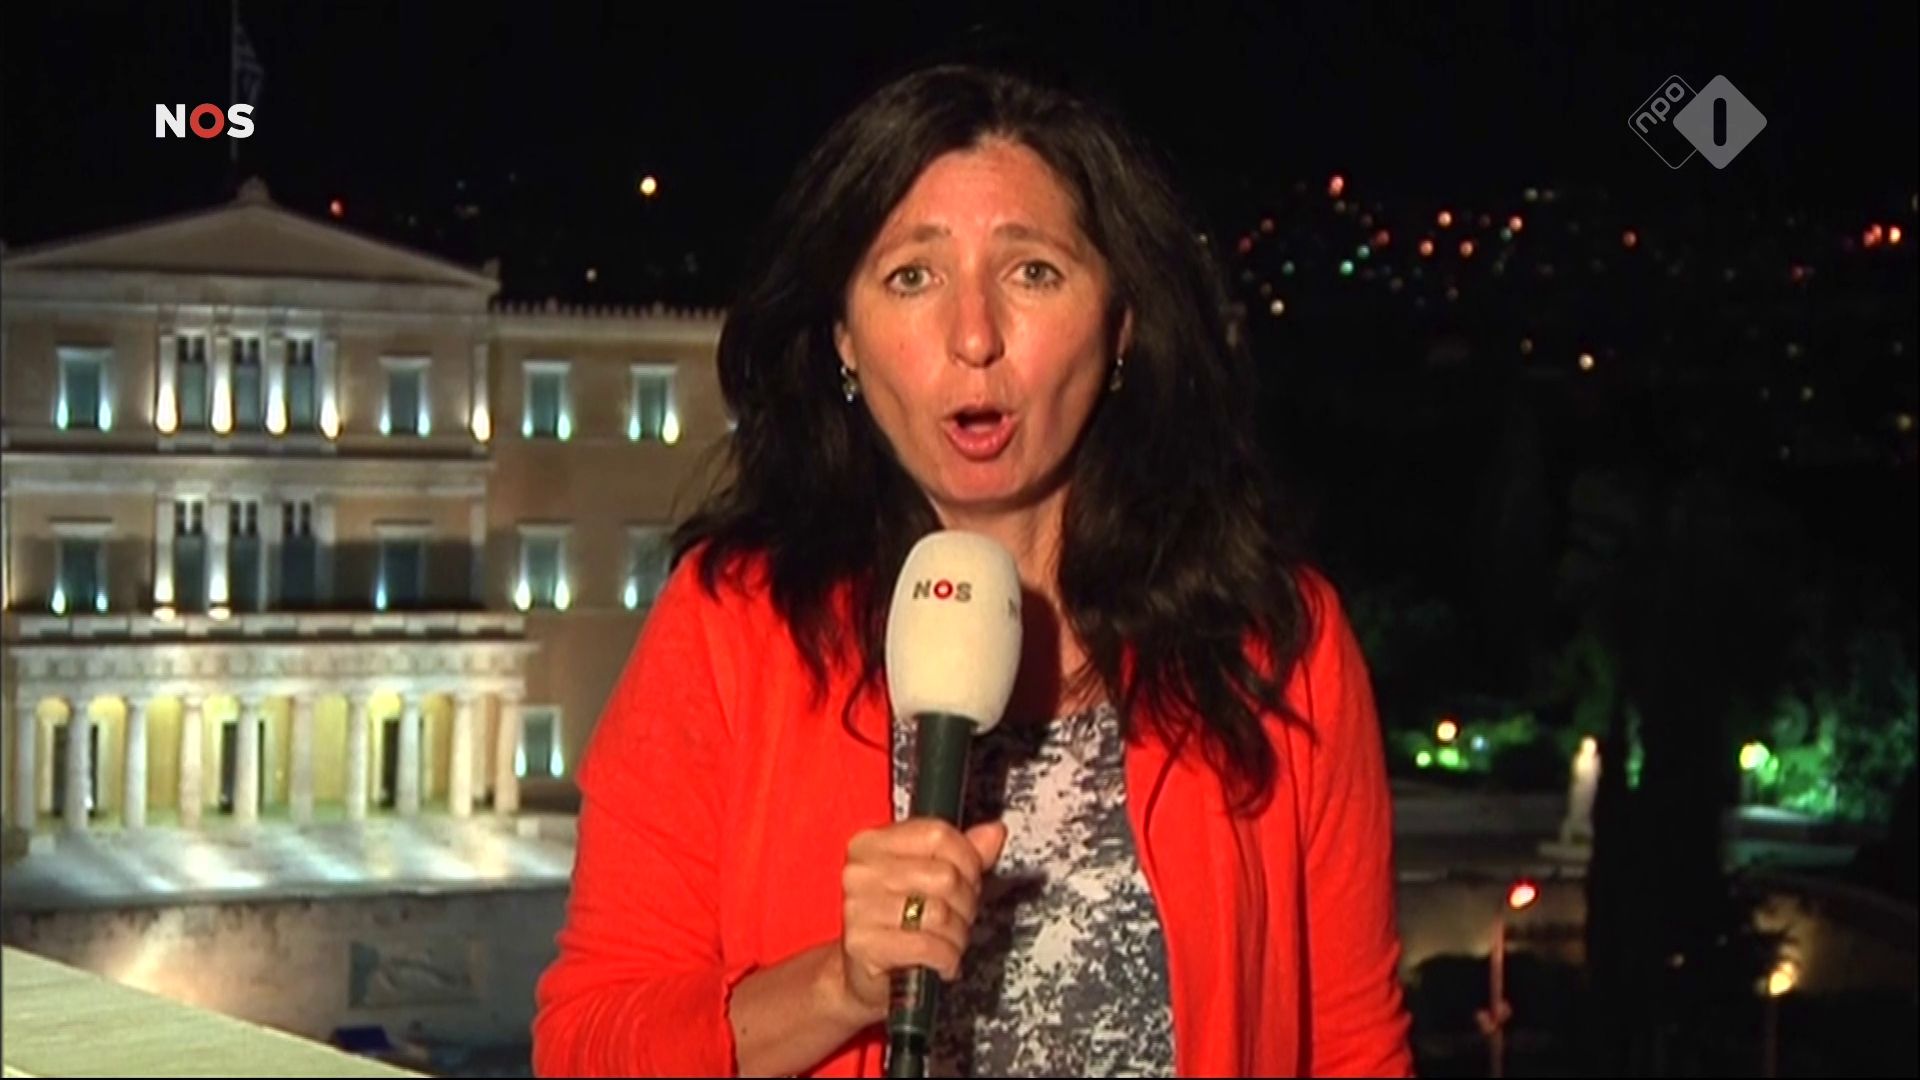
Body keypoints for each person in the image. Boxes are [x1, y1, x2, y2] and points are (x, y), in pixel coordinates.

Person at [531, 62, 1413, 1078]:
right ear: (844, 339)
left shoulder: (1275, 646)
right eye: (913, 276)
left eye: (1032, 272)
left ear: (1122, 325)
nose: (974, 337)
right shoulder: (732, 628)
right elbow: (585, 1049)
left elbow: (1355, 1050)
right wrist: (841, 987)